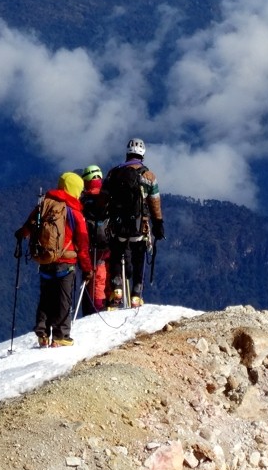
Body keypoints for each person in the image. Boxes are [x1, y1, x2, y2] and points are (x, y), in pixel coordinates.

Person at [15, 172, 92, 347]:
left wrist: (21, 235)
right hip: (66, 263)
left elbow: (28, 226)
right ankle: (61, 336)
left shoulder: (45, 205)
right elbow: (83, 244)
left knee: (46, 297)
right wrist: (87, 269)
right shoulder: (75, 213)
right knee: (63, 300)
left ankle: (42, 333)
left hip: (46, 260)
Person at [100, 138, 163, 309]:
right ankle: (136, 295)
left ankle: (117, 289)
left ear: (127, 153)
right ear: (143, 154)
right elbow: (154, 202)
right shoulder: (149, 176)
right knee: (139, 258)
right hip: (139, 227)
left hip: (118, 227)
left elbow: (103, 199)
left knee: (116, 255)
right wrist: (158, 224)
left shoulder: (113, 173)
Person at [78, 164, 109, 315]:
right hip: (109, 245)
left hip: (89, 247)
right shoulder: (107, 198)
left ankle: (96, 308)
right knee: (104, 276)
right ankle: (108, 302)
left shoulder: (83, 201)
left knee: (95, 277)